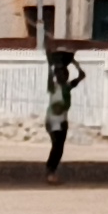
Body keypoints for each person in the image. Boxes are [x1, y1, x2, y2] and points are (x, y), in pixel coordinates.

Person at [43, 45, 85, 178]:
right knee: (57, 145)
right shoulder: (52, 87)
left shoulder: (68, 87)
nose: (64, 76)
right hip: (52, 120)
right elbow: (50, 76)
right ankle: (50, 170)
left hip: (62, 121)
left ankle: (51, 169)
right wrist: (50, 64)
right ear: (56, 75)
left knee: (59, 147)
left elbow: (82, 75)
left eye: (65, 74)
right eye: (61, 74)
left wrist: (74, 63)